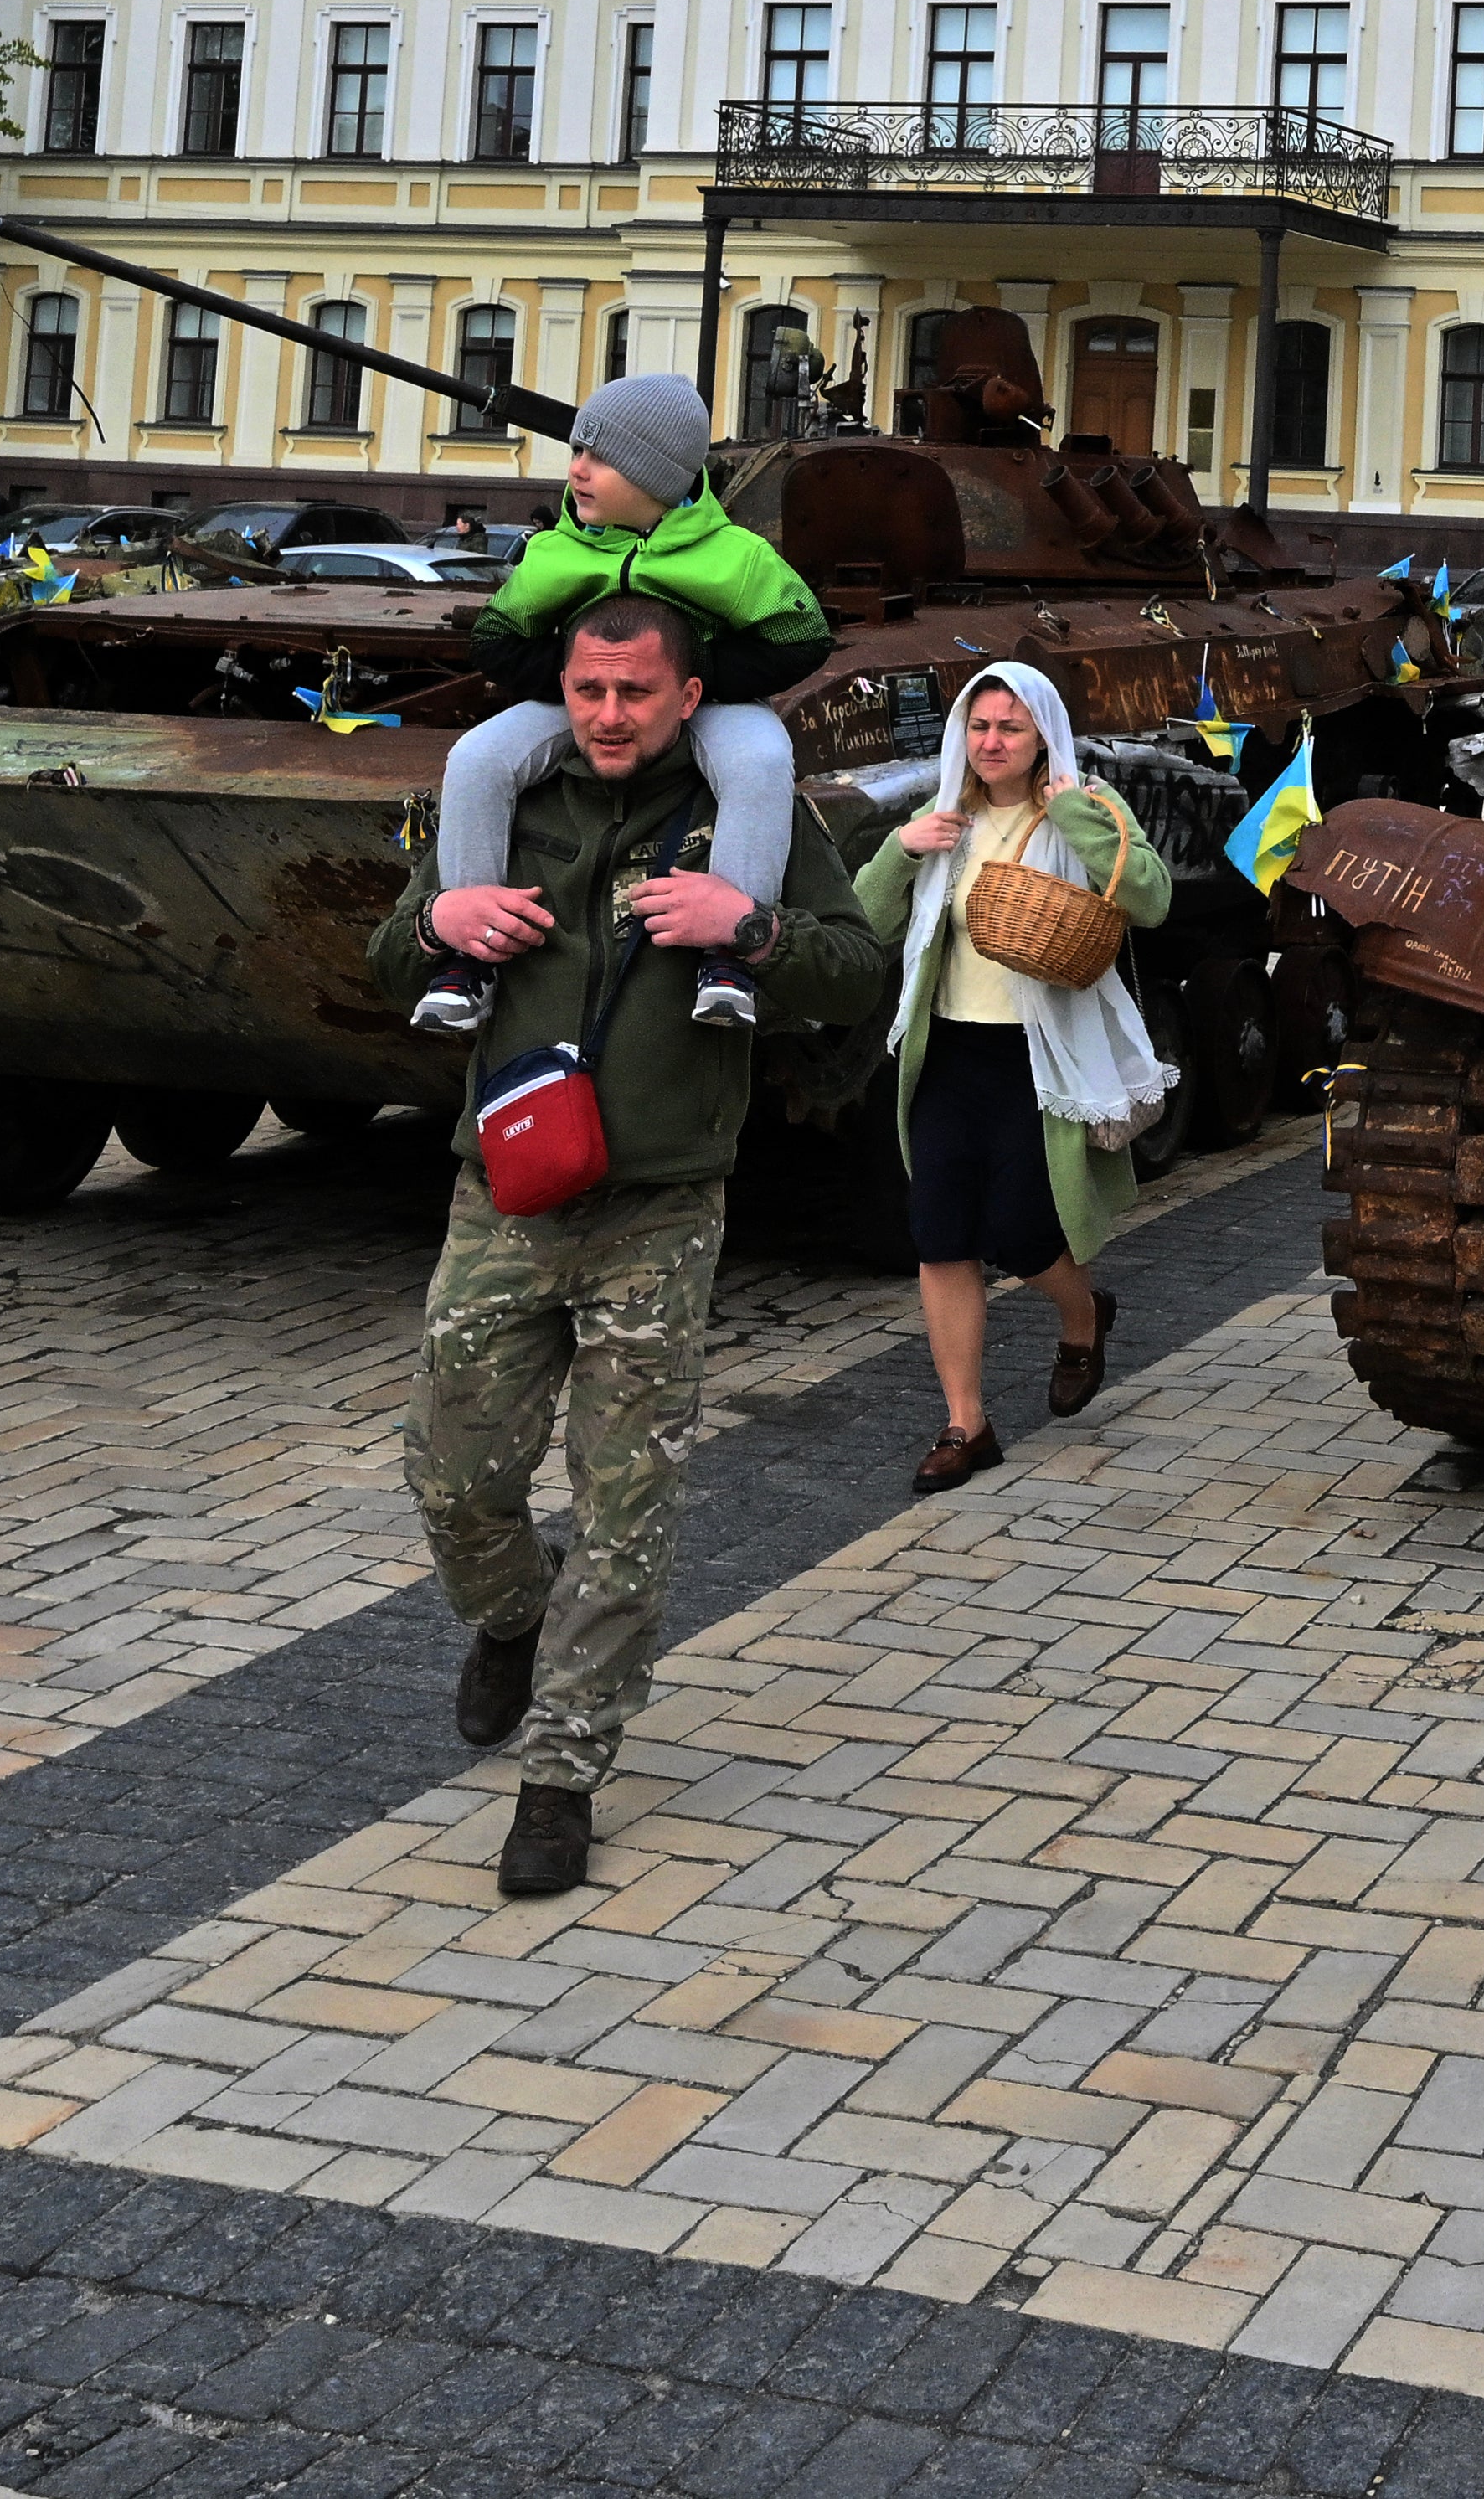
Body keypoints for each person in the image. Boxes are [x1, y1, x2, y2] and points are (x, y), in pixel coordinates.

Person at [404, 593, 888, 1899]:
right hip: (503, 1193)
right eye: (587, 690)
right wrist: (436, 923)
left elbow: (858, 967)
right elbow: (405, 923)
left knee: (624, 1508)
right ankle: (512, 1618)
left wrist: (749, 928)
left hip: (661, 1212)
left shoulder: (751, 813)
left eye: (634, 692)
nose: (607, 714)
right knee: (452, 1479)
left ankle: (560, 1775)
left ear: (687, 696)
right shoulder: (506, 796)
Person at [849, 657, 1177, 1492]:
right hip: (949, 1052)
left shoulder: (1086, 805)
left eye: (1010, 727)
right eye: (980, 725)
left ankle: (1081, 1315)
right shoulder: (943, 814)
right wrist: (899, 847)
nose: (991, 741)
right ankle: (966, 1422)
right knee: (940, 1233)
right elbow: (866, 920)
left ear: (1041, 736)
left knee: (1026, 1231)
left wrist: (1077, 814)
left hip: (1039, 1059)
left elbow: (1151, 896)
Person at [418, 369, 824, 1037]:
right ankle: (468, 955)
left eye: (598, 456)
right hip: (576, 705)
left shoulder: (736, 557)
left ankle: (729, 951)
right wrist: (579, 680)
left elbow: (801, 637)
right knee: (476, 758)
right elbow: (495, 636)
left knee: (760, 759)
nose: (576, 469)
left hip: (709, 704)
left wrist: (696, 677)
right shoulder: (556, 550)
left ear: (657, 476)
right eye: (577, 450)